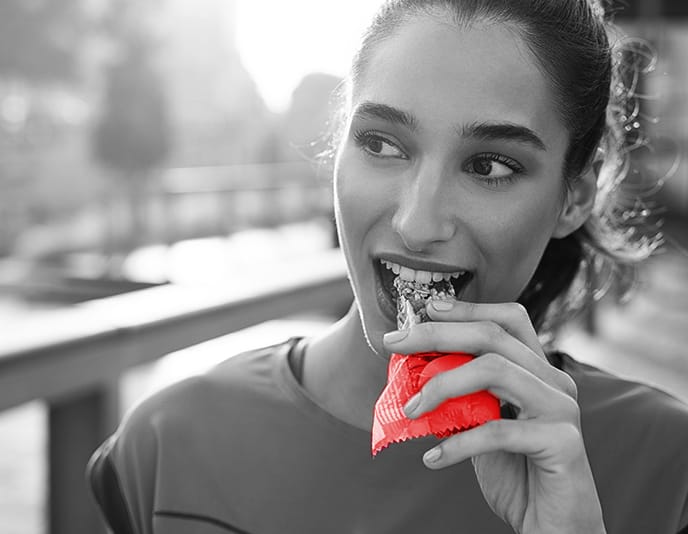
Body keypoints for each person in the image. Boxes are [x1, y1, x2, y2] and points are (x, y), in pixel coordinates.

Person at [87, 1, 688, 532]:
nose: (417, 223)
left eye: (489, 166)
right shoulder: (166, 449)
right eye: (381, 144)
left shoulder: (664, 467)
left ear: (574, 198)